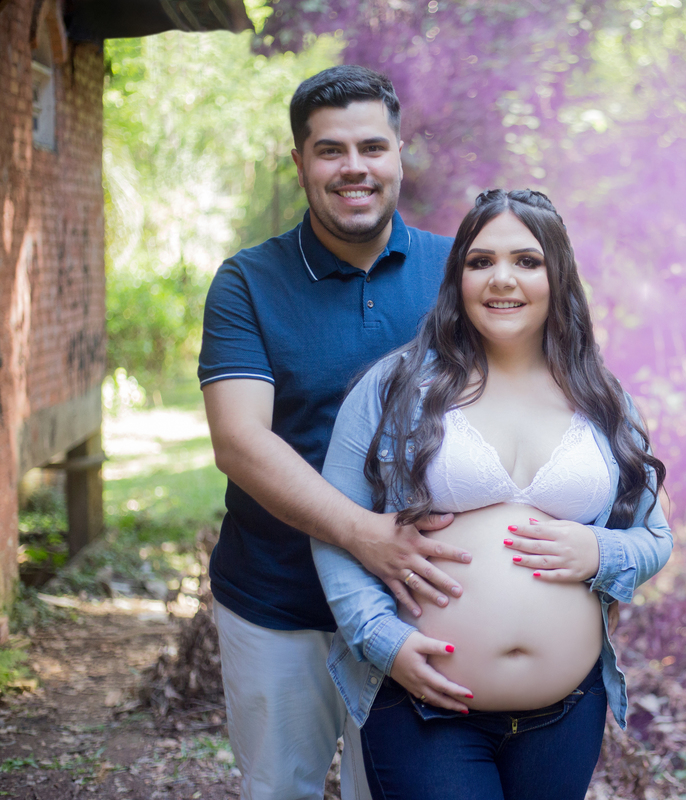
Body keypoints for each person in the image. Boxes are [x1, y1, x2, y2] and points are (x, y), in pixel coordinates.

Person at [313, 189, 672, 800]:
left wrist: (599, 552)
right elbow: (334, 529)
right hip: (426, 706)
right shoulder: (394, 388)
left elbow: (655, 538)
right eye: (481, 261)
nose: (501, 278)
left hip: (567, 711)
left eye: (526, 261)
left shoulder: (604, 399)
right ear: (458, 276)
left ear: (558, 274)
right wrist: (383, 641)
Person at [198, 65, 474, 800]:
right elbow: (240, 442)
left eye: (372, 147)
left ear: (399, 155)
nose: (355, 167)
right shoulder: (247, 283)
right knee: (280, 790)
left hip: (419, 602)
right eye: (330, 150)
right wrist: (364, 534)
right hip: (278, 603)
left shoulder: (458, 271)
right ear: (300, 163)